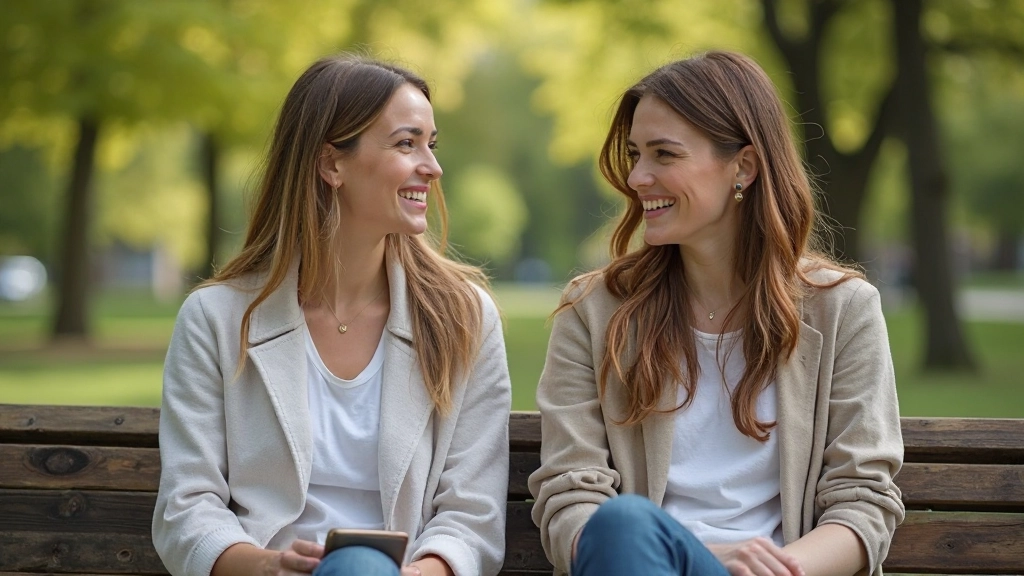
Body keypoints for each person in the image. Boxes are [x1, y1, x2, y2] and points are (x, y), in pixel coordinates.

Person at [528, 51, 904, 576]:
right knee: (624, 525)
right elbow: (571, 495)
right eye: (636, 153)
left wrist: (769, 570)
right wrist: (692, 557)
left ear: (743, 167)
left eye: (664, 154)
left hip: (781, 573)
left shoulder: (842, 309)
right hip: (642, 561)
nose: (637, 177)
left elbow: (863, 502)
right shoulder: (594, 313)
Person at [153, 55, 512, 576]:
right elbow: (187, 508)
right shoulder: (216, 318)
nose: (432, 168)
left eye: (431, 144)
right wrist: (266, 566)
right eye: (406, 143)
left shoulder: (463, 318)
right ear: (331, 164)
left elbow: (472, 515)